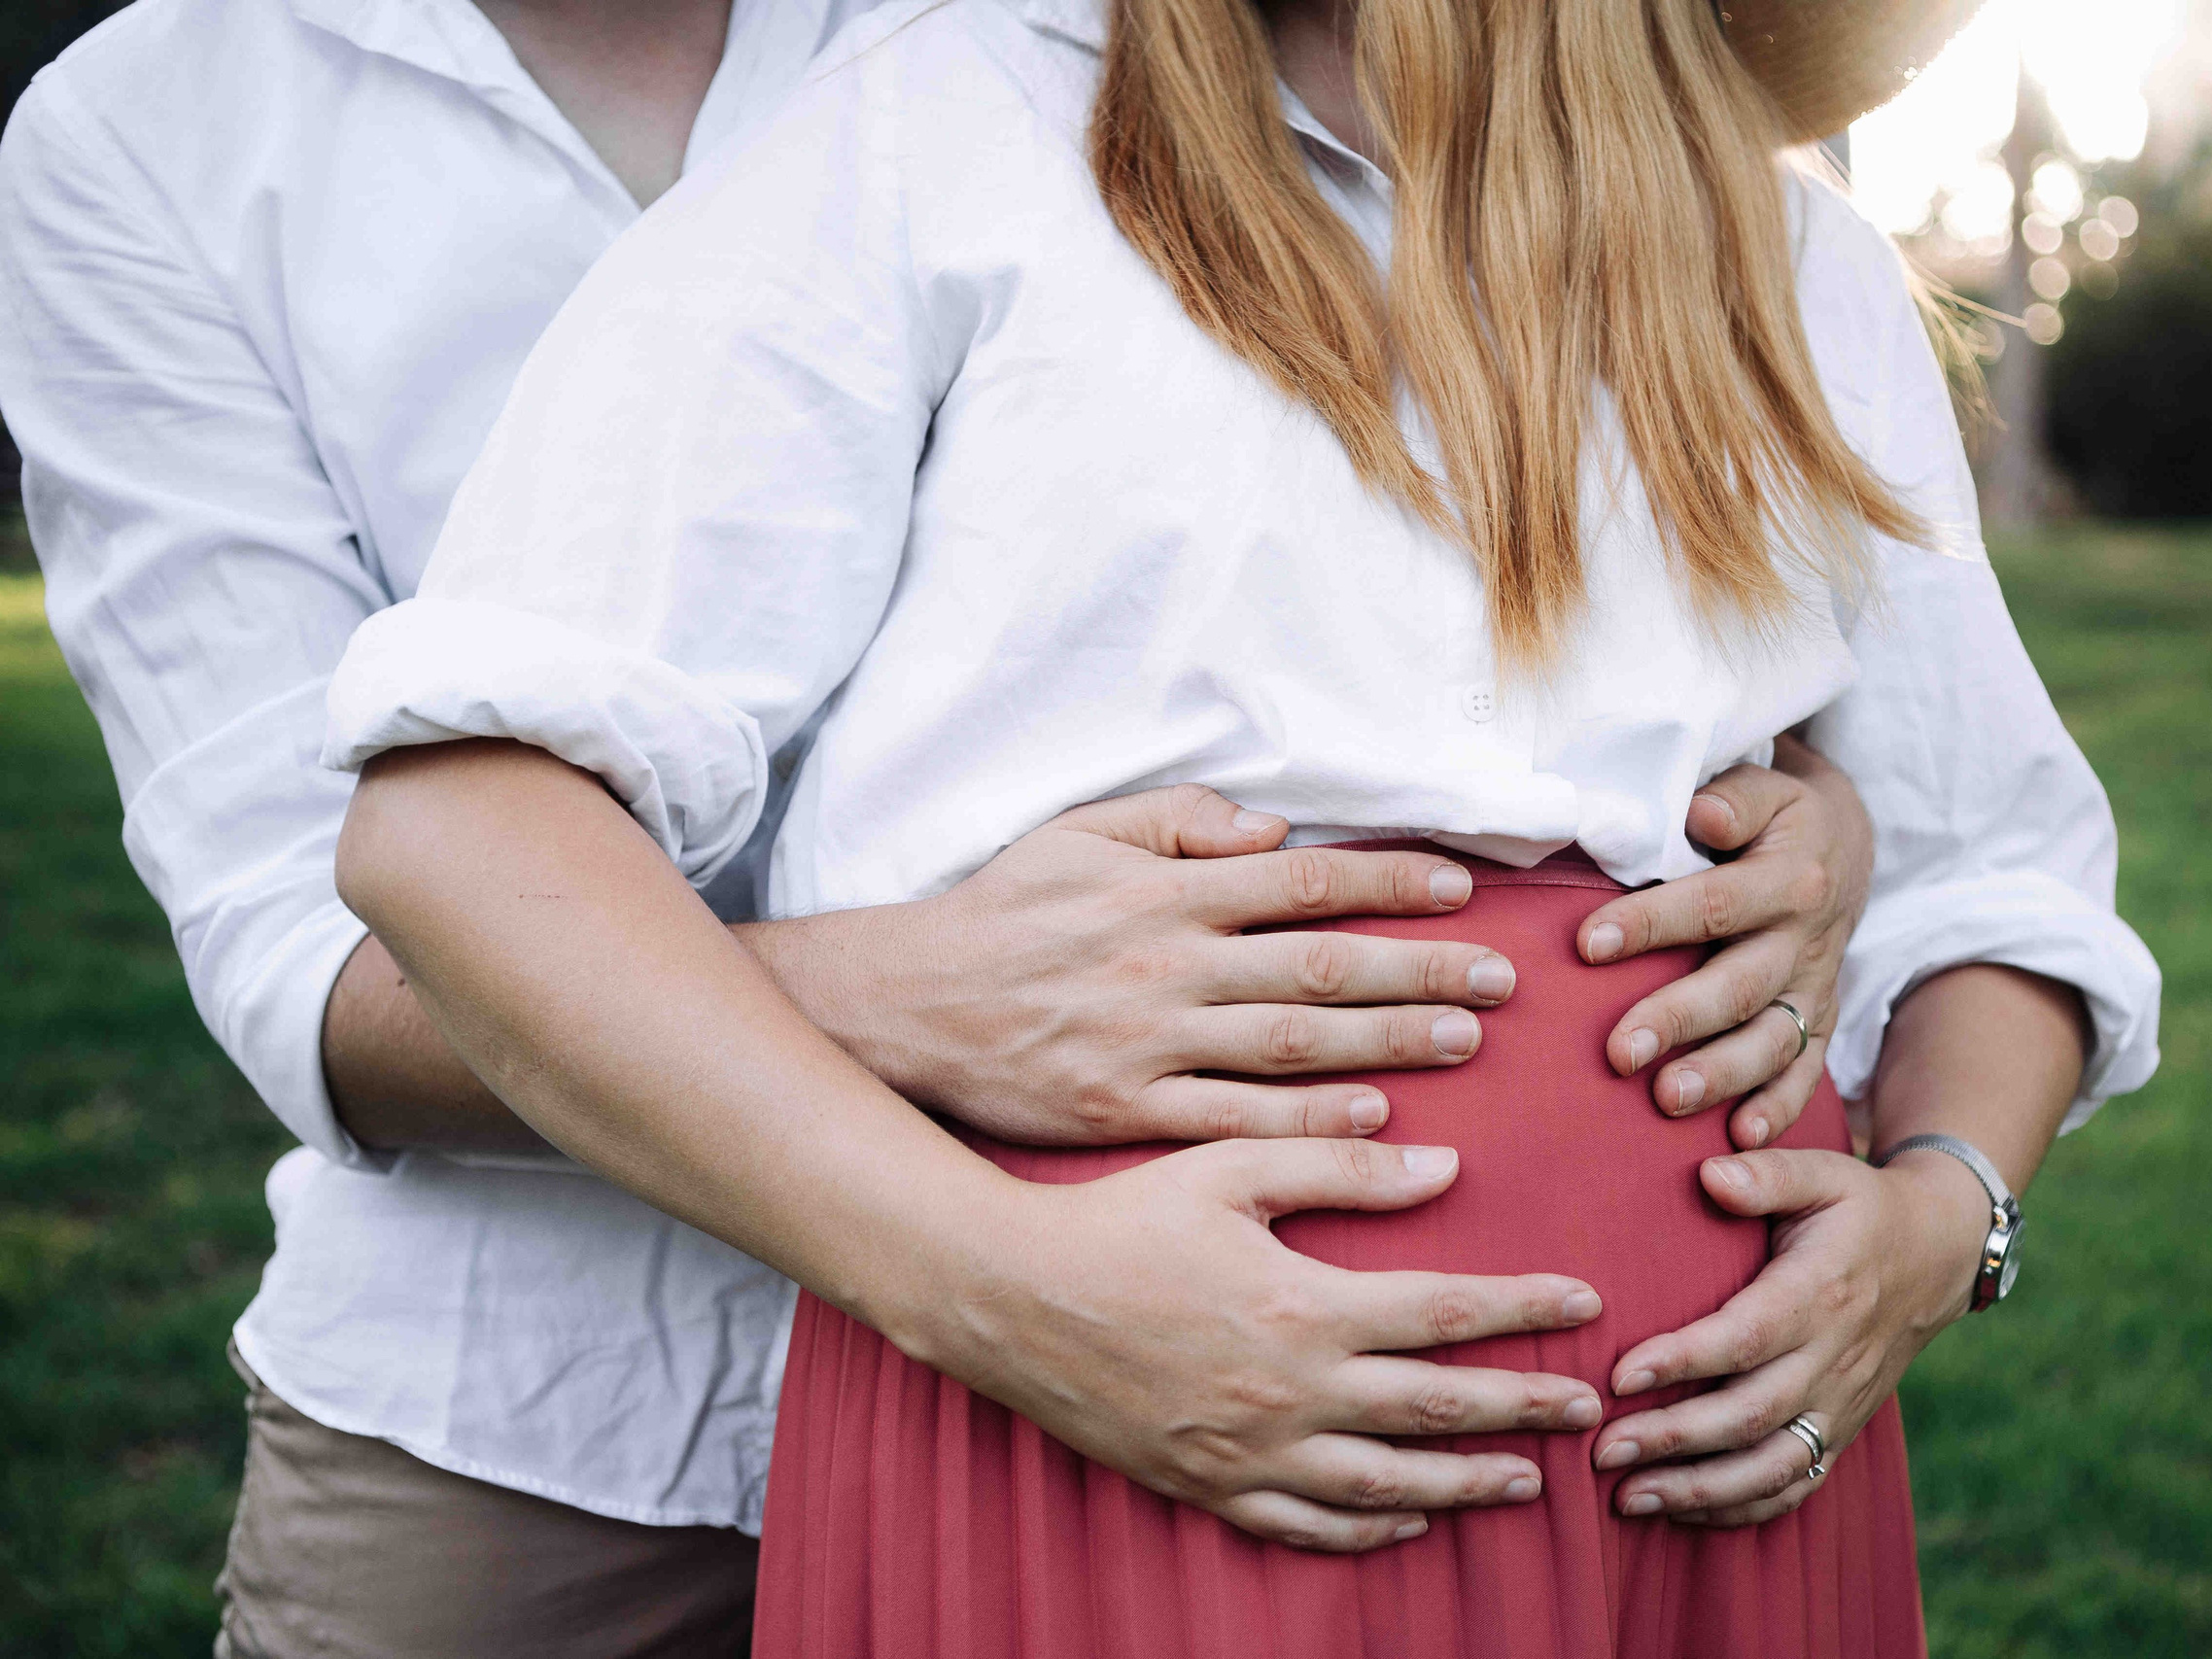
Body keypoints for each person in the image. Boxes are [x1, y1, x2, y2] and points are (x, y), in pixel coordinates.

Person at [0, 0, 1888, 1651]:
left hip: (1327, 1373)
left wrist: (1803, 810)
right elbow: (312, 941)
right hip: (547, 1401)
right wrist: (909, 1024)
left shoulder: (1103, 38)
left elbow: (1431, 590)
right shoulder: (150, 134)